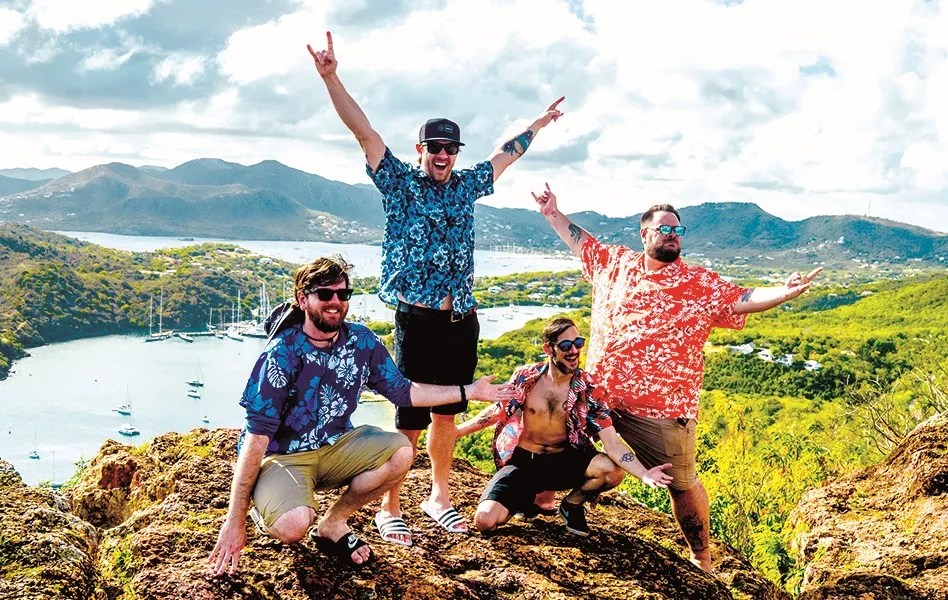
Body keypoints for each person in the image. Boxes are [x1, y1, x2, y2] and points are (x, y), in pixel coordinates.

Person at [306, 30, 565, 544]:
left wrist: (536, 125)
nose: (443, 155)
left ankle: (439, 496)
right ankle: (389, 505)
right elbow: (363, 132)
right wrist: (332, 78)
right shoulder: (400, 183)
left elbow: (505, 155)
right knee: (409, 414)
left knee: (448, 411)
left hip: (460, 317)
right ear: (420, 149)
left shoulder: (467, 185)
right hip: (418, 318)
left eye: (450, 148)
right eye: (435, 147)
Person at [532, 184, 821, 571]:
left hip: (662, 409)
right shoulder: (614, 263)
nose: (672, 234)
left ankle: (701, 556)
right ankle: (545, 500)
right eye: (664, 228)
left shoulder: (699, 284)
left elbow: (742, 298)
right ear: (644, 234)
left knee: (681, 484)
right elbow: (580, 242)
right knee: (550, 433)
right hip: (598, 394)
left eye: (677, 230)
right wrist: (552, 212)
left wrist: (784, 292)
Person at [208, 256, 513, 574]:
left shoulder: (361, 342)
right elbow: (256, 438)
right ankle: (267, 507)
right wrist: (234, 521)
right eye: (324, 294)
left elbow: (404, 391)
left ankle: (333, 522)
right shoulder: (282, 353)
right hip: (283, 457)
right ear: (303, 299)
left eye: (343, 294)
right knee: (293, 525)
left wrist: (469, 391)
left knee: (401, 451)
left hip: (335, 446)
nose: (335, 302)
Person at [456, 317, 673, 537]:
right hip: (524, 463)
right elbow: (497, 411)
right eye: (566, 345)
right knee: (485, 521)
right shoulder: (526, 378)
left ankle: (572, 504)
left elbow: (613, 444)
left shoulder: (589, 389)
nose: (574, 351)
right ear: (548, 349)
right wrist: (457, 432)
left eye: (578, 343)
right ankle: (525, 499)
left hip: (563, 461)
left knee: (612, 470)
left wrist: (644, 474)